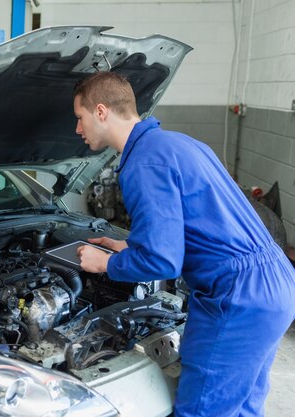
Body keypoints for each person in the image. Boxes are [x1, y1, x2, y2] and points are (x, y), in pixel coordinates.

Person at [73, 71, 295, 417]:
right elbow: (192, 223)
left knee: (201, 411)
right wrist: (130, 248)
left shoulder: (142, 163)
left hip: (237, 296)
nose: (77, 129)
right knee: (242, 406)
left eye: (79, 118)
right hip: (275, 283)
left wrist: (105, 264)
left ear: (101, 111)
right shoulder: (178, 144)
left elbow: (164, 261)